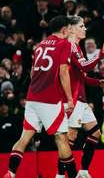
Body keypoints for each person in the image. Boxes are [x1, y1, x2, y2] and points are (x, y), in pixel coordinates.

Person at [4, 16, 77, 178]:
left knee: (25, 137)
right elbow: (63, 71)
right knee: (61, 139)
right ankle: (72, 175)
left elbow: (32, 72)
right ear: (64, 30)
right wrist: (70, 99)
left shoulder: (40, 45)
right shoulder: (64, 44)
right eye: (69, 28)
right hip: (49, 99)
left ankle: (10, 172)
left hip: (32, 98)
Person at [56, 16, 104, 178]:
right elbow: (85, 66)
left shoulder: (77, 47)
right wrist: (102, 53)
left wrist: (96, 82)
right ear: (71, 29)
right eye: (81, 26)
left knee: (95, 134)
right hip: (72, 99)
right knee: (70, 138)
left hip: (81, 98)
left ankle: (84, 171)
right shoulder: (70, 46)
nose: (85, 28)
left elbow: (81, 75)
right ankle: (59, 175)